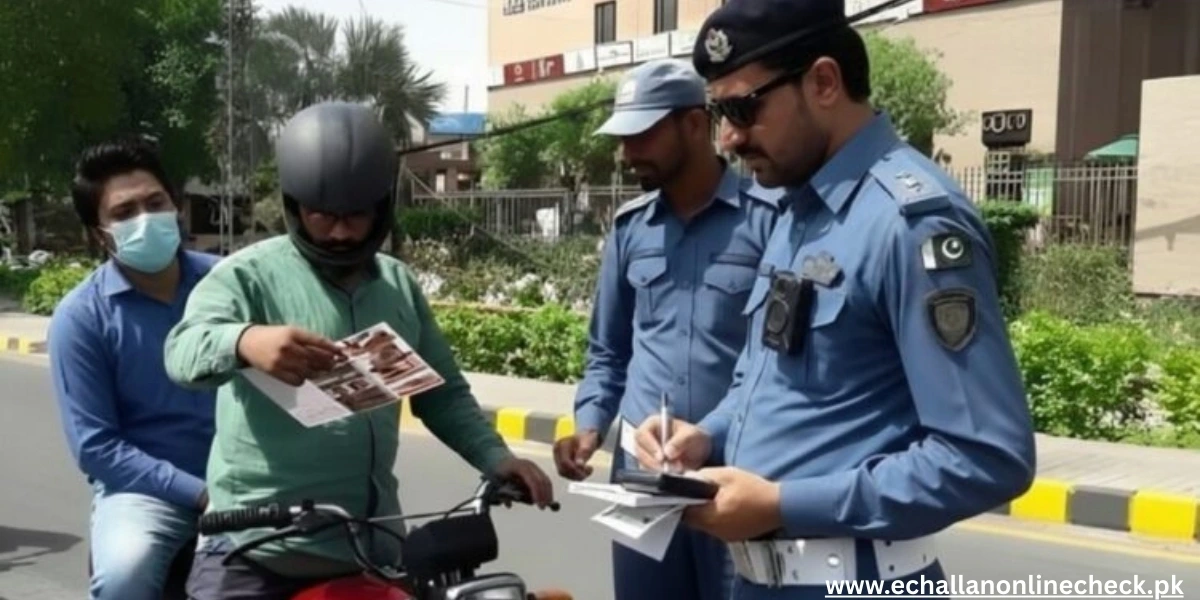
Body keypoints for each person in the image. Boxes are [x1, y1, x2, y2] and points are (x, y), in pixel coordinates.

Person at [633, 0, 1037, 597]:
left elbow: (986, 457)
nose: (728, 137)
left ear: (824, 81)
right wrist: (706, 434)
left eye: (744, 108)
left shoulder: (911, 222)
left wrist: (783, 502)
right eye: (720, 111)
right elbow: (772, 381)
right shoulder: (798, 209)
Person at [162, 101, 556, 600]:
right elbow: (181, 351)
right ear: (293, 205)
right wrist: (243, 342)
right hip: (257, 551)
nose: (342, 232)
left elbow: (442, 393)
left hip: (372, 549)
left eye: (357, 216)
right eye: (323, 216)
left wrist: (496, 458)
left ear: (382, 207)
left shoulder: (398, 285)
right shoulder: (247, 277)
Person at [552, 59, 782, 600]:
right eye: (623, 137)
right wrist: (589, 426)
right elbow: (608, 350)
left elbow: (780, 360)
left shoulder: (768, 221)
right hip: (642, 474)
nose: (628, 152)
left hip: (732, 473)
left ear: (695, 126)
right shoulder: (631, 229)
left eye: (643, 134)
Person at [47, 137, 219, 600]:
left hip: (246, 478)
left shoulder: (227, 282)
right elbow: (96, 447)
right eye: (124, 213)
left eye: (154, 202)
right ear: (98, 233)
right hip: (146, 494)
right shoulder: (81, 317)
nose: (145, 218)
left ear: (175, 205)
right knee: (126, 574)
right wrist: (199, 492)